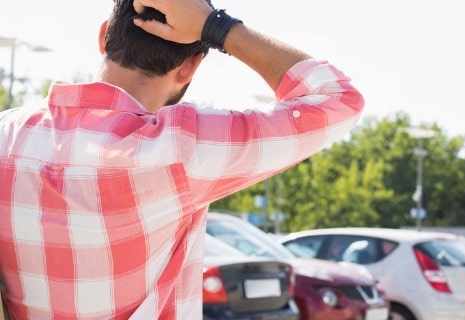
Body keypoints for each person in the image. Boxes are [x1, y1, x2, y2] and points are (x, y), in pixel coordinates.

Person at [0, 0, 364, 318]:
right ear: (190, 66)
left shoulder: (8, 135)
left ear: (103, 37)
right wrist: (215, 26)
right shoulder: (180, 150)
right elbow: (337, 98)